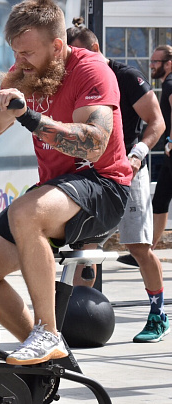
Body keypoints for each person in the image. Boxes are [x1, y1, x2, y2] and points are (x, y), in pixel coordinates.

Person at [0, 0, 131, 365]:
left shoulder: (92, 70)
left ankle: (48, 332)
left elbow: (96, 143)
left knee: (27, 211)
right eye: (15, 53)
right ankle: (55, 361)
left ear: (57, 46)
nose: (20, 61)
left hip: (104, 186)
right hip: (57, 191)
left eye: (27, 52)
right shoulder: (23, 70)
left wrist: (32, 118)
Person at [66, 22, 168, 343]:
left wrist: (136, 155)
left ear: (95, 50)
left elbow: (157, 121)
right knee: (86, 247)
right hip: (94, 174)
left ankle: (157, 313)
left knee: (138, 247)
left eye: (79, 54)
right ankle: (81, 317)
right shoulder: (75, 79)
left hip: (129, 171)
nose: (74, 63)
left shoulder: (126, 76)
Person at [150, 46, 172, 252]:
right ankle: (150, 248)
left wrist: (170, 141)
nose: (151, 65)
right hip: (169, 155)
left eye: (156, 62)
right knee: (160, 199)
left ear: (168, 64)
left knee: (162, 198)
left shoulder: (170, 84)